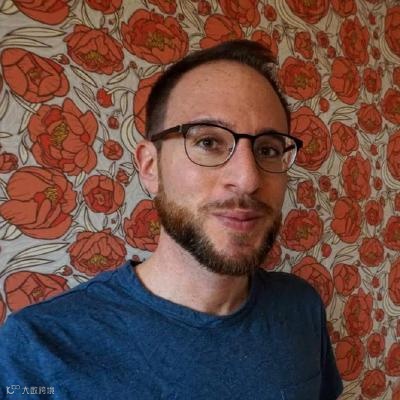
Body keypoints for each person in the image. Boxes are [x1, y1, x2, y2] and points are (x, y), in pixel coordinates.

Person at [0, 40, 343, 400]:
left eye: (268, 149)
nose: (248, 179)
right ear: (150, 167)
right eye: (208, 142)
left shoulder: (300, 305)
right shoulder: (36, 349)